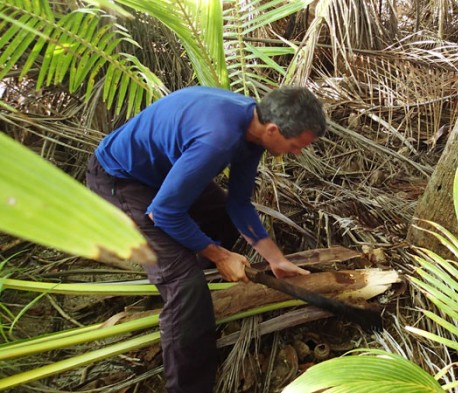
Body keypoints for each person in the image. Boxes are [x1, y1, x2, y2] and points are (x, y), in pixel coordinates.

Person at [85, 85, 327, 393]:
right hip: (119, 179)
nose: (297, 152)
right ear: (273, 130)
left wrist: (275, 259)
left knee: (221, 215)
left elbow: (238, 204)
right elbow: (164, 213)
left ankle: (189, 270)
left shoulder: (252, 126)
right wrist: (220, 256)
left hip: (163, 175)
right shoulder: (218, 139)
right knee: (186, 286)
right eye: (295, 145)